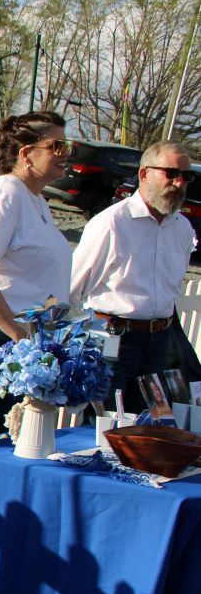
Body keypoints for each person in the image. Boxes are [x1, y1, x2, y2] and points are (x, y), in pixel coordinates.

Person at [0, 111, 75, 442]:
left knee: (11, 445)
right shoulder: (5, 193)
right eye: (57, 146)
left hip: (21, 339)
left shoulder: (36, 200)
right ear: (26, 154)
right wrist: (17, 336)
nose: (67, 155)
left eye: (69, 146)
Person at [70, 141, 198, 409]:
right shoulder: (112, 223)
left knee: (148, 428)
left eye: (187, 176)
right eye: (171, 173)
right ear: (144, 174)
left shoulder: (182, 228)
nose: (179, 183)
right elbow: (73, 287)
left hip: (160, 342)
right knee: (105, 432)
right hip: (113, 340)